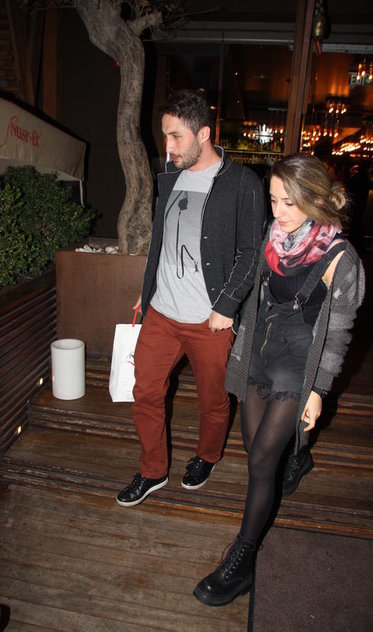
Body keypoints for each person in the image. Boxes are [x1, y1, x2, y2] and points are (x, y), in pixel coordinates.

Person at [193, 153, 365, 607]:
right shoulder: (273, 237)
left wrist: (319, 390)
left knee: (260, 462)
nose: (279, 211)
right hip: (260, 351)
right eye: (273, 200)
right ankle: (297, 457)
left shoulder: (339, 258)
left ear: (314, 199)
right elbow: (252, 284)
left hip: (298, 362)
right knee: (254, 449)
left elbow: (340, 332)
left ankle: (242, 559)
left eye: (289, 202)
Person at [116, 89, 265, 507]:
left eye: (176, 136)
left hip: (209, 319)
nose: (168, 147)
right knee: (145, 391)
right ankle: (153, 470)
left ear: (203, 133)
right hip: (162, 312)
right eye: (165, 135)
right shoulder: (171, 174)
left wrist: (227, 305)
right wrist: (147, 291)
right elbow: (163, 241)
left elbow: (251, 253)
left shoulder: (242, 183)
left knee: (213, 400)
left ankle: (208, 455)